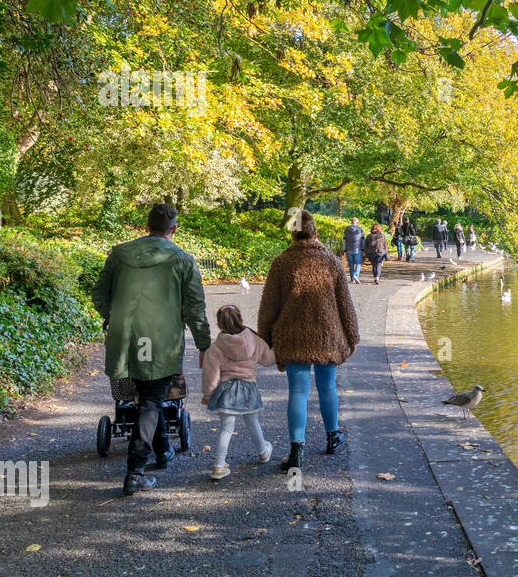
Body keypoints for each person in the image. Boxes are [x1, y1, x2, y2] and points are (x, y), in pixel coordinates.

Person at [91, 202, 211, 495]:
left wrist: (113, 317)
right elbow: (194, 308)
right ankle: (135, 471)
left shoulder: (119, 255)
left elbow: (98, 294)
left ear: (146, 226)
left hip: (125, 339)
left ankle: (163, 449)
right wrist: (205, 344)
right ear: (174, 229)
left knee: (146, 400)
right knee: (150, 401)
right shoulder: (183, 260)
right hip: (160, 342)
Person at [258, 211, 360, 473]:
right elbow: (345, 304)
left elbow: (268, 307)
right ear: (315, 234)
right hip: (328, 335)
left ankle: (296, 450)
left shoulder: (281, 263)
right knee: (327, 387)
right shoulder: (331, 261)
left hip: (293, 337)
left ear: (293, 234)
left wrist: (265, 336)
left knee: (298, 392)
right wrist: (352, 336)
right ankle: (332, 437)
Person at [201, 305, 276, 480]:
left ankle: (219, 465)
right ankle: (263, 452)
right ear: (241, 319)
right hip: (249, 390)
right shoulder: (254, 340)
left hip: (227, 392)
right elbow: (269, 359)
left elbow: (210, 374)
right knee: (253, 422)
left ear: (219, 325)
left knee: (226, 429)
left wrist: (207, 394)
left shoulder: (217, 347)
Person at [343, 217, 365, 283]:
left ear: (351, 222)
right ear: (357, 223)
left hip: (349, 249)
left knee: (351, 264)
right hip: (358, 249)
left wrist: (344, 250)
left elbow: (344, 240)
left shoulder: (346, 229)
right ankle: (356, 275)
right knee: (358, 263)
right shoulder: (360, 230)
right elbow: (363, 240)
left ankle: (352, 279)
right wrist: (363, 249)